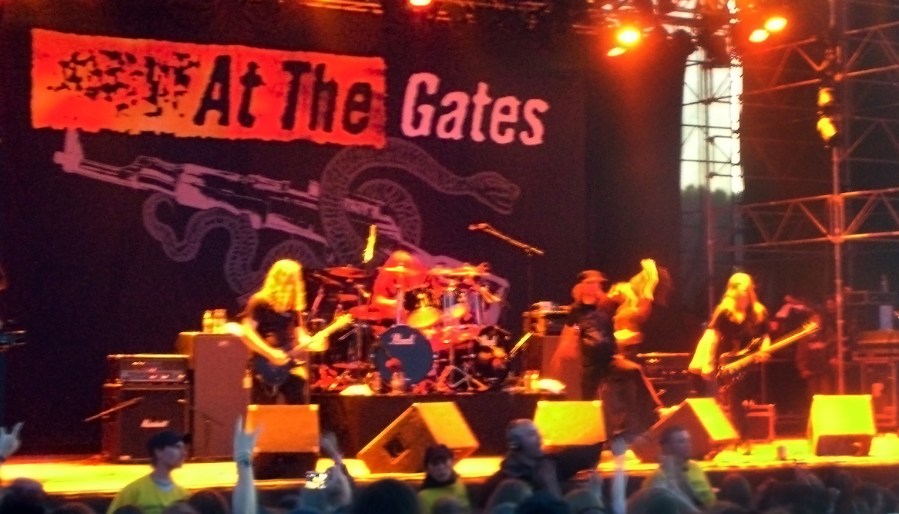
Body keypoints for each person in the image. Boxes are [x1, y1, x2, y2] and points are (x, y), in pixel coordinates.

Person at [560, 270, 662, 440]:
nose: (596, 286)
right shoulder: (576, 310)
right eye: (591, 283)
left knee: (634, 370)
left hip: (610, 359)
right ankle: (586, 438)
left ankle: (656, 409)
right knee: (588, 400)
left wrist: (648, 283)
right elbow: (572, 330)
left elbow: (632, 304)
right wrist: (569, 344)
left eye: (598, 283)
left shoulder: (605, 304)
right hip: (591, 364)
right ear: (581, 287)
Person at [689, 272, 771, 446]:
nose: (743, 294)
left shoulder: (758, 312)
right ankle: (742, 438)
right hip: (728, 363)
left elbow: (765, 335)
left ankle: (739, 436)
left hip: (750, 363)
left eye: (747, 290)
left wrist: (765, 350)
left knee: (744, 400)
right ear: (732, 290)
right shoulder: (724, 312)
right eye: (740, 289)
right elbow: (713, 338)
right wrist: (708, 363)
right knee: (734, 398)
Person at [240, 259, 315, 405]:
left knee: (298, 389)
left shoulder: (293, 307)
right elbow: (246, 332)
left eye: (296, 280)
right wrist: (270, 353)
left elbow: (300, 336)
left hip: (289, 362)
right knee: (263, 409)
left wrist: (310, 342)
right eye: (290, 280)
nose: (294, 284)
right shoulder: (260, 301)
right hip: (264, 364)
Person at [479, 419, 560, 507]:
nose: (539, 438)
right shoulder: (500, 482)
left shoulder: (552, 464)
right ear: (515, 444)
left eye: (538, 433)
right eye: (532, 434)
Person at [106, 430, 189, 514]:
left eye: (184, 448)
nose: (184, 453)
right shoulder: (134, 491)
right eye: (177, 447)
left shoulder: (182, 494)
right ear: (158, 451)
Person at [641, 425, 715, 509]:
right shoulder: (658, 477)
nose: (688, 445)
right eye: (681, 442)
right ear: (667, 447)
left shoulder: (694, 466)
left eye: (688, 441)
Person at [418, 444, 470, 514]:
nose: (441, 467)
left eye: (444, 462)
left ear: (452, 462)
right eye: (435, 464)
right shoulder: (423, 497)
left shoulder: (462, 486)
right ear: (427, 469)